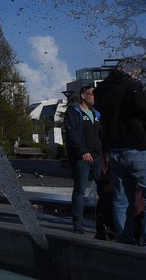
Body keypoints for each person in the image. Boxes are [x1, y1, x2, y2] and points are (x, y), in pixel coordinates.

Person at [93, 60, 146, 250]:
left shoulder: (101, 91)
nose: (138, 76)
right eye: (137, 72)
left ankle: (125, 242)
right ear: (130, 71)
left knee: (122, 198)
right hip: (139, 148)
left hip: (116, 150)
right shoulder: (131, 85)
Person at [63, 84, 102, 233]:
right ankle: (78, 222)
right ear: (83, 96)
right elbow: (72, 134)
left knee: (104, 190)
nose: (94, 97)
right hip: (82, 157)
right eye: (92, 94)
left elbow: (101, 134)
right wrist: (82, 151)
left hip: (98, 157)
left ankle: (102, 221)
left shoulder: (97, 113)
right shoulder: (73, 111)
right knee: (80, 189)